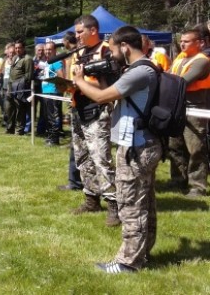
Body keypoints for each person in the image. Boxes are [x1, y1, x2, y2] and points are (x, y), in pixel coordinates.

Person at [73, 25, 160, 274]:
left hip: (136, 146)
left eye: (112, 51)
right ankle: (142, 254)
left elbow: (103, 98)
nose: (111, 56)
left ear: (124, 46)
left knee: (130, 204)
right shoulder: (144, 69)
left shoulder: (139, 72)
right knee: (144, 203)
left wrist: (79, 81)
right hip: (143, 143)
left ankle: (127, 262)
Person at [69, 14, 118, 226]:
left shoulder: (106, 51)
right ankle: (91, 199)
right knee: (82, 157)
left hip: (98, 110)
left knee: (101, 158)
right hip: (77, 109)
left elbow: (112, 87)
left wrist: (82, 84)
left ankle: (114, 205)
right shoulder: (78, 53)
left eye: (80, 32)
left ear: (93, 30)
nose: (77, 36)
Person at [167, 29, 210, 197]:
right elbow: (170, 77)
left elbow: (181, 82)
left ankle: (197, 186)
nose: (182, 44)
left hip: (195, 109)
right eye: (182, 41)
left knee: (196, 148)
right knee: (174, 146)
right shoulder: (180, 59)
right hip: (177, 107)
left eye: (187, 41)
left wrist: (166, 80)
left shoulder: (202, 61)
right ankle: (177, 180)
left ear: (200, 43)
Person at [57, 31, 84, 191]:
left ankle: (81, 183)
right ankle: (74, 182)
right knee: (76, 146)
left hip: (88, 106)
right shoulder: (70, 56)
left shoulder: (81, 55)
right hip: (75, 103)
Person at [5, 39, 33, 135]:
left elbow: (28, 76)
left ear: (24, 48)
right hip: (10, 87)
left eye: (19, 48)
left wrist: (19, 84)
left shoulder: (27, 59)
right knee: (9, 108)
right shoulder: (15, 57)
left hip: (20, 88)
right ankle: (9, 128)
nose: (17, 50)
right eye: (16, 48)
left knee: (20, 110)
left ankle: (19, 130)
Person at [41, 41, 65, 146]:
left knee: (53, 116)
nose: (47, 51)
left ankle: (55, 139)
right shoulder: (47, 62)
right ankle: (49, 136)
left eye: (50, 49)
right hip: (46, 92)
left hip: (53, 92)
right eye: (46, 49)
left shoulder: (56, 62)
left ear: (55, 50)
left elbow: (61, 76)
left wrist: (58, 87)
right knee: (47, 116)